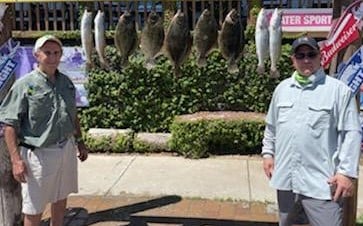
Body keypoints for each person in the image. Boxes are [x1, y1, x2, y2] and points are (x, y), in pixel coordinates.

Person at [261, 36, 361, 226]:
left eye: (311, 54)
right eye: (300, 55)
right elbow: (271, 127)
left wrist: (346, 173)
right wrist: (267, 154)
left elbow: (351, 133)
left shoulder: (339, 91)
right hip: (286, 182)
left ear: (320, 56)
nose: (306, 59)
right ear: (293, 60)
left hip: (321, 185)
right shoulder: (282, 89)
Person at [0, 35, 88, 226]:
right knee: (34, 207)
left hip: (66, 148)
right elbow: (9, 125)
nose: (53, 57)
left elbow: (72, 115)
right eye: (47, 53)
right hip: (38, 154)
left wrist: (80, 141)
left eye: (56, 53)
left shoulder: (66, 83)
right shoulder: (25, 85)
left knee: (61, 196)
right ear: (37, 55)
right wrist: (16, 160)